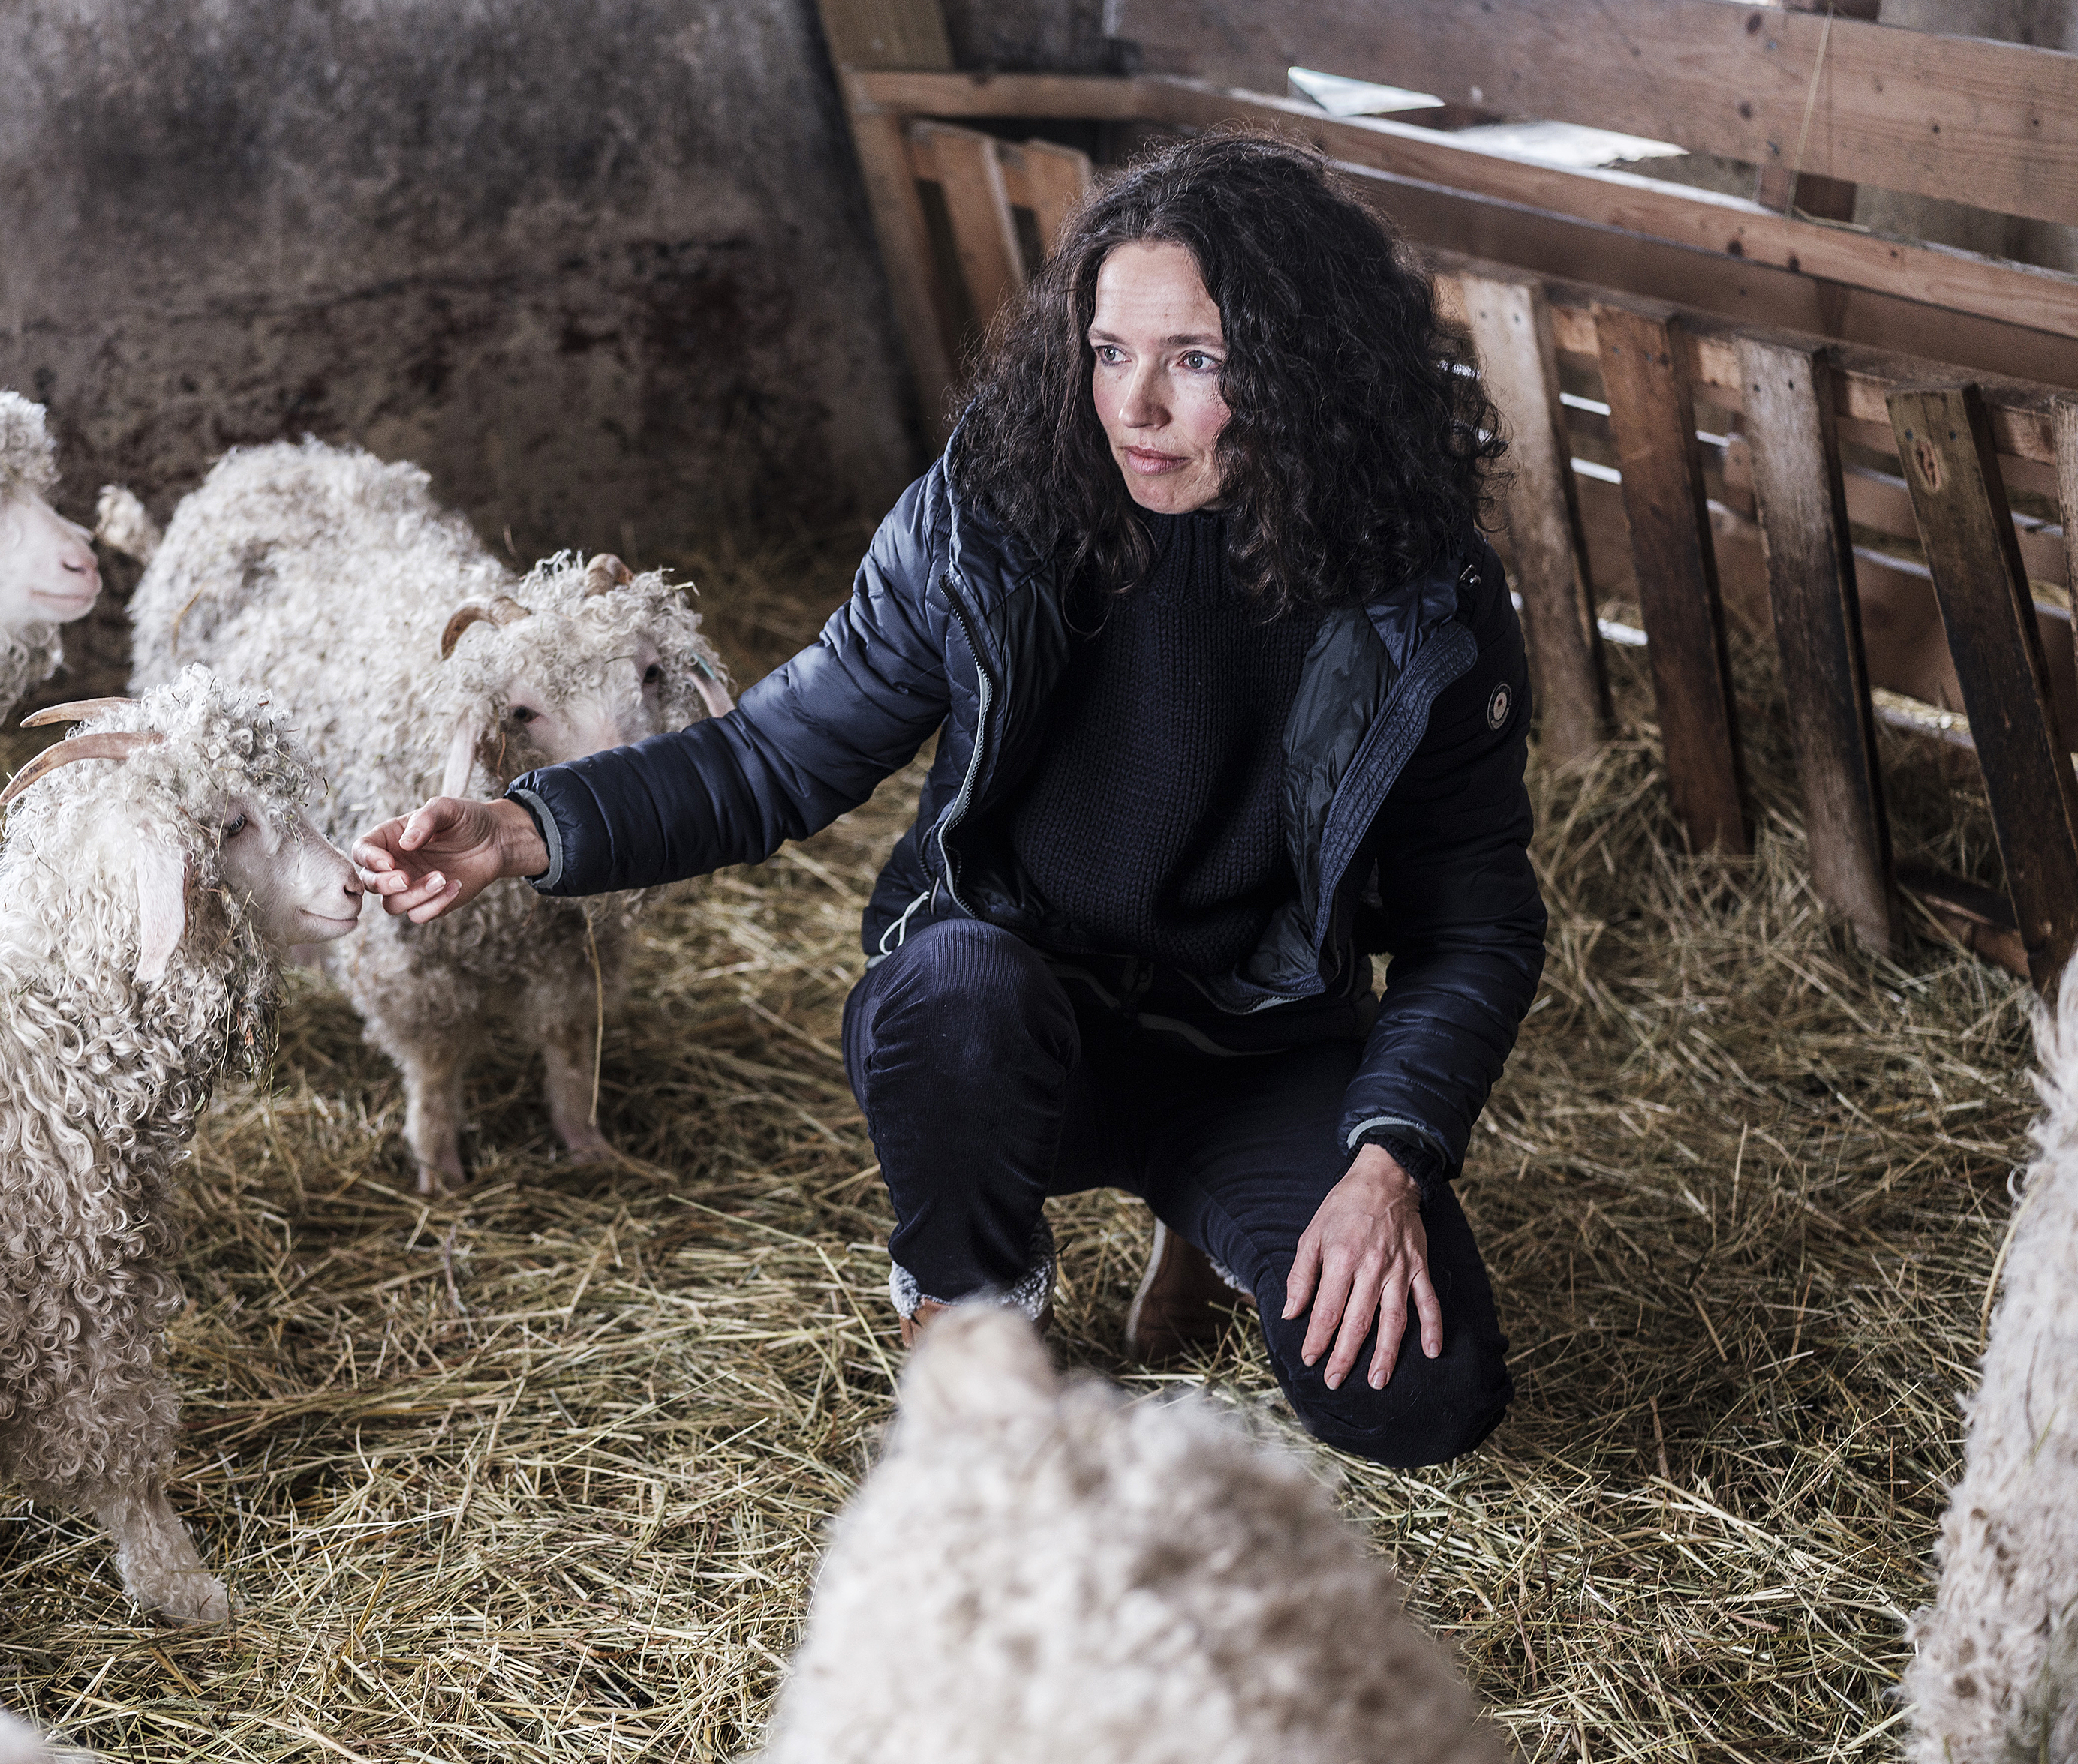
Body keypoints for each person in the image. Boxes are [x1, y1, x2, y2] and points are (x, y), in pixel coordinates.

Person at [353, 132, 1546, 1470]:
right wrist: (526, 827)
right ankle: (965, 1326)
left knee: (1419, 1402)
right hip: (1016, 1019)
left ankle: (1207, 1223)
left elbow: (1474, 925)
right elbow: (774, 757)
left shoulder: (1421, 596)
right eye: (1108, 352)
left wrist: (1386, 1164)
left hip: (1261, 1044)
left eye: (1196, 361)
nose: (1133, 408)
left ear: (1308, 371)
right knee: (948, 992)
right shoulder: (995, 511)